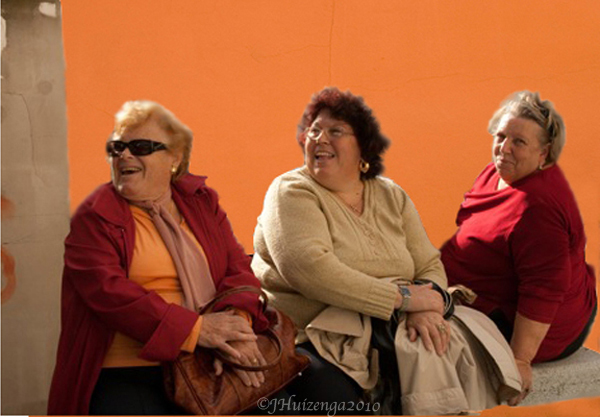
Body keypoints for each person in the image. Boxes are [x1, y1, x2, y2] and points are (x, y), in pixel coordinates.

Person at [251, 87, 521, 415]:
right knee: (343, 402)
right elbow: (309, 268)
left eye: (335, 131)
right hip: (308, 337)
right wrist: (402, 300)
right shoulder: (291, 191)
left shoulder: (390, 195)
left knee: (443, 358)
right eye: (313, 130)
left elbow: (427, 263)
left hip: (388, 331)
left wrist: (429, 307)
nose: (319, 139)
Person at [48, 100, 271, 415]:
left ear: (175, 158)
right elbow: (109, 293)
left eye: (140, 146)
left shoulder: (201, 203)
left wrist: (235, 328)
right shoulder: (95, 216)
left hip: (209, 360)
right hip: (129, 368)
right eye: (117, 147)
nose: (125, 155)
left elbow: (238, 270)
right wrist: (197, 330)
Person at [440, 91, 597, 405]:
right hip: (484, 295)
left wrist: (520, 359)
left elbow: (544, 289)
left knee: (421, 337)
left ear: (544, 152)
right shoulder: (497, 172)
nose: (504, 148)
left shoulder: (538, 209)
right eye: (501, 136)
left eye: (519, 142)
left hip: (538, 329)